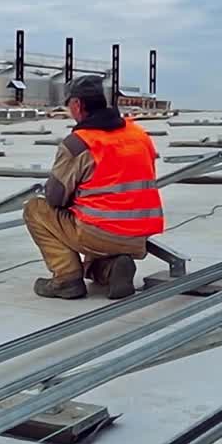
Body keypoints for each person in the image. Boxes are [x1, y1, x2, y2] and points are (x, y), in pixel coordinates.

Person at [23, 75, 164, 299]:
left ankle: (66, 278)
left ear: (77, 104)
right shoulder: (138, 135)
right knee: (93, 231)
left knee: (35, 209)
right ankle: (112, 268)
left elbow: (55, 198)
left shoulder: (79, 143)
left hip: (99, 232)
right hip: (138, 236)